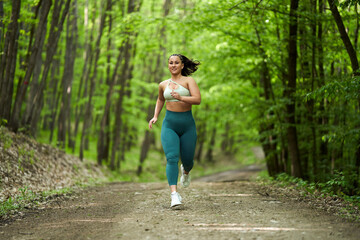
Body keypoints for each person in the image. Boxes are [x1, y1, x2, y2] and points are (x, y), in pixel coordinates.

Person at [148, 53, 201, 208]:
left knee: (188, 160)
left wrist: (181, 97)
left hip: (187, 125)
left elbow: (197, 99)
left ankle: (186, 170)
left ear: (182, 65)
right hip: (169, 125)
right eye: (170, 63)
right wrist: (155, 116)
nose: (173, 65)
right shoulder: (163, 84)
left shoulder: (188, 81)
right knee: (171, 157)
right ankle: (174, 195)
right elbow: (160, 99)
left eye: (176, 62)